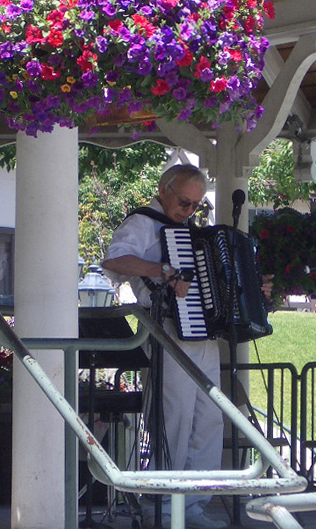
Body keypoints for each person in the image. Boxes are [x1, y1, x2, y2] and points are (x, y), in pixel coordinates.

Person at [102, 164, 227, 529]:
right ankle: (161, 504)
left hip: (202, 333)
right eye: (184, 202)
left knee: (210, 418)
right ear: (163, 190)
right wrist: (163, 270)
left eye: (196, 206)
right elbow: (114, 261)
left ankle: (193, 504)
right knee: (175, 416)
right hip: (166, 329)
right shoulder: (143, 222)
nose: (189, 211)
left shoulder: (192, 232)